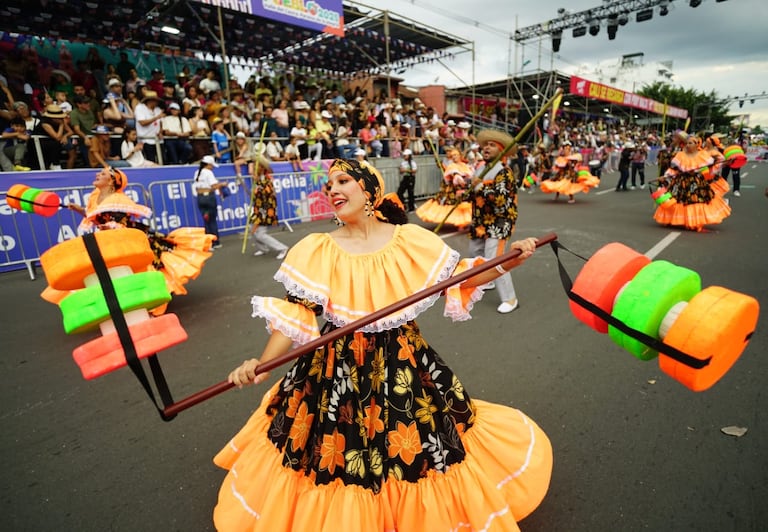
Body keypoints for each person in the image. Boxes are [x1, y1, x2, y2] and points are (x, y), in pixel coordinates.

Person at [215, 158, 552, 531]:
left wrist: (509, 262)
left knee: (415, 450)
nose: (333, 190)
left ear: (368, 190)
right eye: (329, 185)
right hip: (336, 369)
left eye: (343, 181)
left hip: (402, 364)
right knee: (340, 457)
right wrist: (260, 365)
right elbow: (297, 312)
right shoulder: (318, 249)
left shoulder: (409, 239)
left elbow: (460, 278)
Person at [47, 166, 215, 309]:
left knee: (143, 266)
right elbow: (97, 218)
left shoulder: (118, 199)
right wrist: (79, 209)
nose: (98, 174)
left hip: (127, 239)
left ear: (112, 181)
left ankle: (154, 298)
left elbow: (120, 221)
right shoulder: (95, 197)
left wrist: (109, 227)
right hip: (109, 240)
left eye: (103, 174)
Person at [468, 129, 523, 314]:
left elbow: (501, 200)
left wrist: (479, 187)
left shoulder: (504, 172)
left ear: (501, 150)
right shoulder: (480, 169)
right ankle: (488, 279)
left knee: (495, 259)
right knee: (475, 254)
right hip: (480, 221)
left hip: (499, 222)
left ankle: (510, 298)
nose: (486, 148)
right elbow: (473, 195)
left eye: (492, 145)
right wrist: (468, 189)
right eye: (485, 145)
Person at [653, 134, 731, 232]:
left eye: (690, 143)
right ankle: (673, 220)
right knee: (676, 200)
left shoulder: (703, 155)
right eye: (687, 143)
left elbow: (713, 166)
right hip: (681, 182)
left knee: (696, 201)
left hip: (697, 183)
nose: (688, 145)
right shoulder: (680, 155)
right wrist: (665, 177)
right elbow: (673, 170)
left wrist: (724, 162)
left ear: (696, 144)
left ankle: (694, 222)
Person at [415, 146, 472, 228]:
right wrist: (458, 178)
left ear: (460, 156)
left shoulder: (464, 165)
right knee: (451, 204)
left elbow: (469, 176)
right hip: (453, 189)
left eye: (455, 155)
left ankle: (462, 222)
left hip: (464, 188)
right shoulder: (451, 166)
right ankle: (458, 222)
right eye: (452, 156)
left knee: (464, 204)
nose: (454, 157)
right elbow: (454, 174)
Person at [248, 156, 289, 259]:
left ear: (261, 167)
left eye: (256, 166)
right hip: (258, 209)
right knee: (252, 229)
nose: (254, 168)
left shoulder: (266, 179)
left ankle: (282, 248)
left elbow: (267, 194)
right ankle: (263, 249)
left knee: (260, 234)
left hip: (265, 209)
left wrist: (257, 187)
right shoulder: (258, 179)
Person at [191, 155, 227, 248]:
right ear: (208, 164)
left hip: (200, 198)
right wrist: (223, 184)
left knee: (206, 220)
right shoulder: (208, 173)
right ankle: (215, 242)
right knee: (212, 221)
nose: (213, 167)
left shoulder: (197, 173)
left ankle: (208, 243)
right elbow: (214, 186)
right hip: (209, 198)